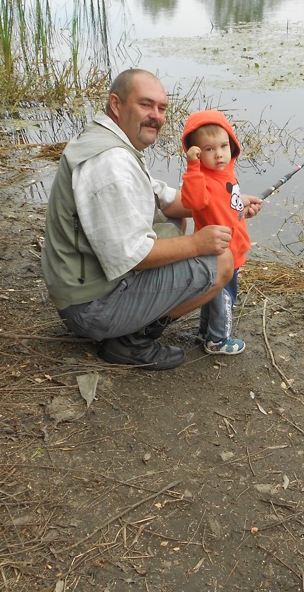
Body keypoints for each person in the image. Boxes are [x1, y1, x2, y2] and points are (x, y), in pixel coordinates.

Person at [42, 69, 243, 370]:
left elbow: (169, 199)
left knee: (172, 216)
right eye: (146, 105)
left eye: (162, 108)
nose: (156, 116)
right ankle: (131, 340)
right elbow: (132, 255)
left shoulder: (114, 141)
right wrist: (197, 244)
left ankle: (132, 326)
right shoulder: (109, 162)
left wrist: (231, 201)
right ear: (116, 104)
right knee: (222, 261)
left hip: (88, 287)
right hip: (91, 308)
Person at [181, 110, 263, 355]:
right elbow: (193, 201)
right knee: (224, 297)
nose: (218, 154)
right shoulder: (201, 178)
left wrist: (243, 207)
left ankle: (205, 333)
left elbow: (226, 203)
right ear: (196, 151)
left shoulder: (226, 171)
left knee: (213, 294)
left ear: (232, 146)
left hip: (233, 247)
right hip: (219, 253)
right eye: (208, 149)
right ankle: (218, 340)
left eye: (224, 146)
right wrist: (193, 167)